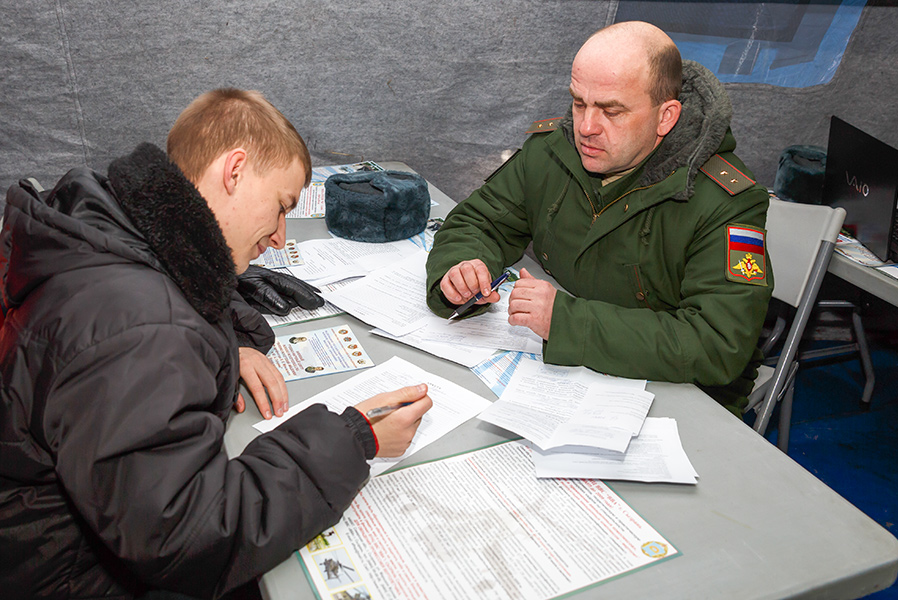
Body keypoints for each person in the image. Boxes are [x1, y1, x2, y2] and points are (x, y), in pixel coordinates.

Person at [0, 88, 432, 599]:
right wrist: (357, 441)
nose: (279, 237)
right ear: (234, 171)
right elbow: (185, 537)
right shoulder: (143, 328)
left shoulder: (109, 228)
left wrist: (227, 346)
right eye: (280, 206)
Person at [425, 21, 773, 415]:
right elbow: (479, 221)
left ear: (666, 117)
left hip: (677, 396)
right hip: (564, 372)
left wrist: (567, 322)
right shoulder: (554, 151)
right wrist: (460, 268)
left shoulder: (725, 203)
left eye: (611, 111)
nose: (585, 128)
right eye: (578, 103)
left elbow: (716, 344)